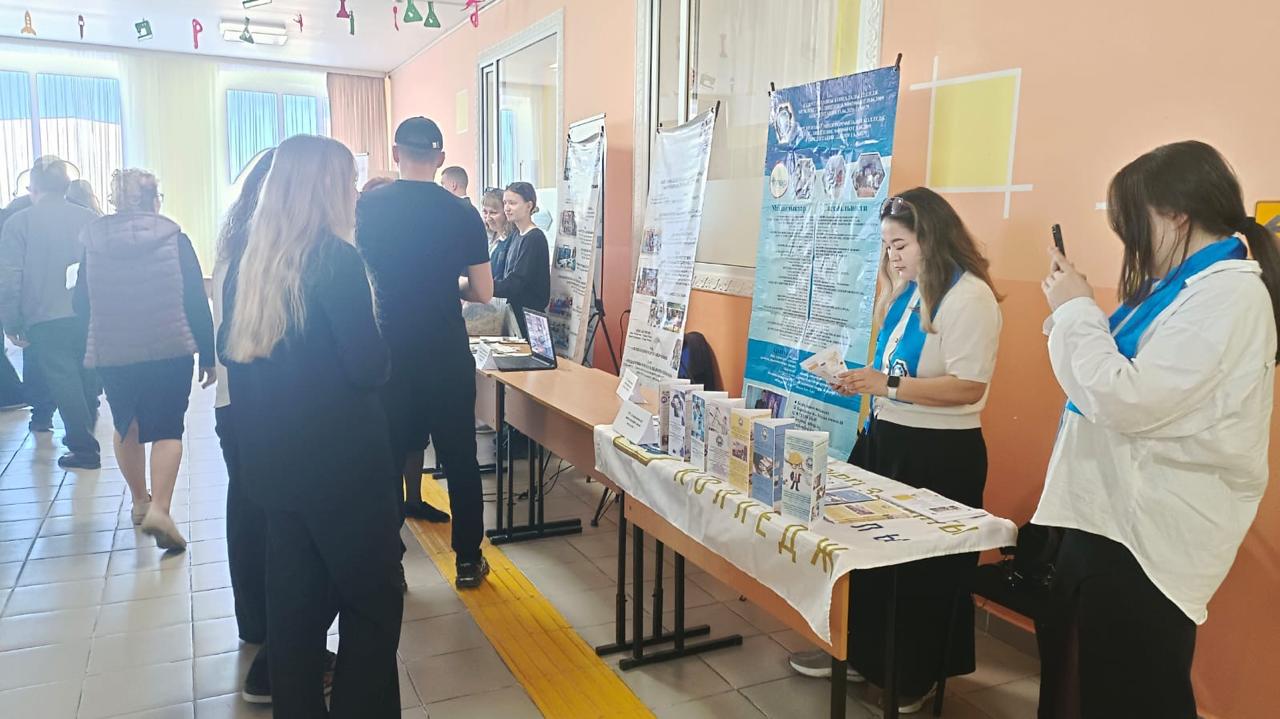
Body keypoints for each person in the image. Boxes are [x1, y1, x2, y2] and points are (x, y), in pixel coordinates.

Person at [1033, 141, 1277, 718]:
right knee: (1083, 685)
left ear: (1175, 215)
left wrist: (1075, 310)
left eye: (1133, 225)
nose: (1132, 244)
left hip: (1147, 537)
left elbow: (1125, 398)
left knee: (1129, 694)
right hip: (1109, 519)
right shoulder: (1179, 290)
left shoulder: (1230, 295)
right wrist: (1072, 309)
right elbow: (1107, 375)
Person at [788, 188, 1002, 714]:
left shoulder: (969, 297)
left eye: (901, 245)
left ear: (933, 237)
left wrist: (886, 385)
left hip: (938, 451)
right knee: (866, 556)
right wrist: (862, 381)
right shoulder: (908, 292)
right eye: (887, 246)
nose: (893, 256)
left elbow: (968, 386)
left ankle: (913, 675)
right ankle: (860, 655)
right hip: (888, 438)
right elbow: (893, 373)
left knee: (922, 571)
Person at [221, 134, 403, 717]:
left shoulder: (248, 266)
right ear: (325, 188)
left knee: (294, 608)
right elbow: (367, 366)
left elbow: (232, 356)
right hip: (343, 468)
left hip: (276, 468)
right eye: (348, 182)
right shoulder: (334, 260)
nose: (354, 193)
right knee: (373, 601)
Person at [355, 116, 494, 589]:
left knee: (387, 458)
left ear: (396, 154)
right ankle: (469, 560)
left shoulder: (366, 207)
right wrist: (446, 286)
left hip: (388, 352)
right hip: (445, 352)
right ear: (440, 159)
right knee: (460, 457)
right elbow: (482, 291)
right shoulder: (462, 213)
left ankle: (389, 561)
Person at [74, 168, 215, 547]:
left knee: (126, 424)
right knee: (168, 428)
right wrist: (208, 352)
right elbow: (195, 298)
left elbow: (80, 303)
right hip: (169, 347)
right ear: (155, 200)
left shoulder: (93, 244)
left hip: (114, 350)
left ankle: (140, 502)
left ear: (115, 202)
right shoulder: (175, 239)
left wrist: (92, 346)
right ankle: (161, 510)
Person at [0, 157, 102, 468]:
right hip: (89, 311)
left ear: (33, 188)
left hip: (43, 315)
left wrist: (11, 321)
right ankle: (86, 431)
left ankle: (84, 448)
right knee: (85, 374)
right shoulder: (89, 219)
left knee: (62, 378)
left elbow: (9, 277)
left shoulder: (19, 223)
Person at [495, 182, 550, 339]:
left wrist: (485, 287)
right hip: (514, 315)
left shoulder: (534, 238)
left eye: (512, 203)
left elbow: (516, 282)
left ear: (529, 206)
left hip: (530, 320)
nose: (507, 208)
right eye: (505, 203)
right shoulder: (516, 235)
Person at [480, 187, 515, 279]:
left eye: (493, 213)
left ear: (506, 213)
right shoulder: (487, 236)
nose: (488, 218)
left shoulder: (511, 241)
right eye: (485, 212)